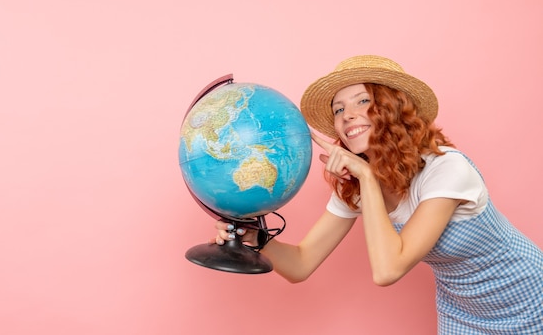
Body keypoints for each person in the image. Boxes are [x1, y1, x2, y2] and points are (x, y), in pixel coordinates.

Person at [212, 55, 543, 334]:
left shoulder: (447, 170)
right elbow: (300, 265)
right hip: (462, 310)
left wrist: (368, 178)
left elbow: (388, 270)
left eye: (363, 101)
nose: (347, 116)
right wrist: (259, 238)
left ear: (393, 109)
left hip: (529, 296)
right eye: (339, 109)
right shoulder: (357, 185)